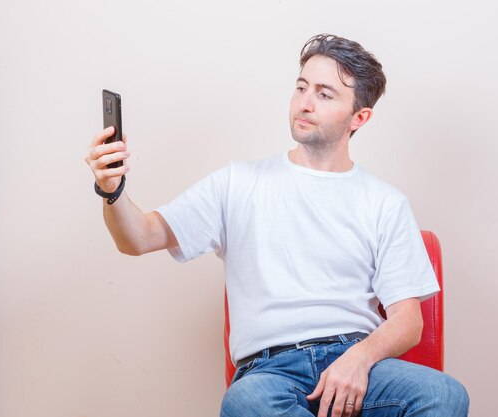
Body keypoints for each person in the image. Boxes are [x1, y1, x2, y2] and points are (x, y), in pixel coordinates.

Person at [85, 34, 469, 417]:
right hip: (269, 373)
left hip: (356, 365)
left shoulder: (385, 202)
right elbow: (139, 237)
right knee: (246, 403)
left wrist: (359, 359)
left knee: (444, 395)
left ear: (359, 117)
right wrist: (111, 190)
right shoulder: (237, 183)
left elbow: (408, 322)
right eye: (301, 87)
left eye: (324, 94)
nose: (304, 103)